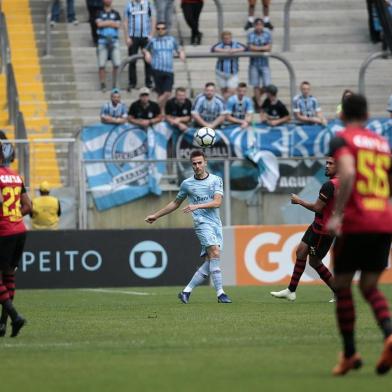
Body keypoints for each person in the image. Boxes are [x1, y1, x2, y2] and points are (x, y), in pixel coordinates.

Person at [327, 94, 392, 376]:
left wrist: (338, 214)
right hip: (383, 220)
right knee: (369, 286)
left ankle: (350, 354)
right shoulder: (382, 143)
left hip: (356, 221)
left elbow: (349, 173)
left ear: (342, 115)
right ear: (367, 116)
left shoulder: (342, 139)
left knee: (341, 285)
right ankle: (389, 333)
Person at [145, 149, 232, 304]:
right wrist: (156, 215)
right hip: (201, 223)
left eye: (199, 163)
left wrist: (197, 206)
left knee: (210, 260)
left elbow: (217, 202)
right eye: (194, 164)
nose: (197, 166)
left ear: (205, 162)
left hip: (215, 224)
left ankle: (186, 292)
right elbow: (175, 203)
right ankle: (221, 294)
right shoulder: (187, 184)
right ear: (191, 165)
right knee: (215, 252)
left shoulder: (216, 180)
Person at [270, 157, 338, 301]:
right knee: (301, 251)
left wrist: (298, 201)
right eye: (326, 163)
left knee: (314, 262)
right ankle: (291, 291)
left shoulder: (329, 185)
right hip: (317, 226)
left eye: (330, 164)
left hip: (322, 231)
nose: (326, 166)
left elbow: (317, 207)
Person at [0, 142, 32, 338]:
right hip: (19, 229)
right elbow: (29, 206)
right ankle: (3, 324)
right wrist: (13, 216)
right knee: (9, 276)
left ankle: (14, 316)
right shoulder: (14, 175)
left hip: (3, 231)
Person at [144, 21, 185, 110]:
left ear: (166, 30)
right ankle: (161, 114)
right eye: (158, 28)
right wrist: (147, 53)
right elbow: (145, 49)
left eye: (163, 28)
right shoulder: (153, 40)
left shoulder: (171, 39)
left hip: (168, 70)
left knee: (167, 93)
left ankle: (153, 108)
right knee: (160, 93)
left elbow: (179, 47)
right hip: (157, 69)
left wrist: (181, 52)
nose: (160, 30)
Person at [123, 0, 156, 90]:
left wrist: (151, 35)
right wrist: (127, 37)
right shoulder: (128, 5)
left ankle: (149, 82)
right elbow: (125, 22)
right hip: (133, 37)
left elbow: (153, 19)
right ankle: (132, 83)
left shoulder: (148, 4)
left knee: (148, 60)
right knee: (132, 60)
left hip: (145, 36)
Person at [211, 31, 246, 101]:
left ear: (231, 38)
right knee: (224, 91)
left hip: (232, 73)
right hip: (220, 72)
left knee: (232, 91)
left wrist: (235, 50)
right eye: (225, 38)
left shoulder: (236, 44)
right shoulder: (220, 44)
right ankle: (226, 107)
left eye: (229, 38)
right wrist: (224, 51)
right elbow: (213, 49)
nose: (227, 40)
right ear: (222, 39)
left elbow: (245, 48)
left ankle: (220, 101)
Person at [96, 0, 122, 92]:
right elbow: (99, 24)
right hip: (102, 40)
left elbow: (118, 25)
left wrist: (105, 23)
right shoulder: (99, 13)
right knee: (101, 64)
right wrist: (111, 23)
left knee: (117, 64)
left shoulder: (116, 13)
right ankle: (103, 83)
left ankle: (115, 83)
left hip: (114, 40)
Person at [247, 18, 272, 112]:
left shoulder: (267, 34)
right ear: (254, 26)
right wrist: (262, 49)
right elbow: (250, 47)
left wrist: (257, 48)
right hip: (254, 63)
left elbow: (269, 47)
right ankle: (259, 104)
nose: (259, 26)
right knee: (256, 85)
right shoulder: (250, 34)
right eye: (257, 24)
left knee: (267, 85)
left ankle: (256, 98)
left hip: (264, 63)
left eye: (260, 24)